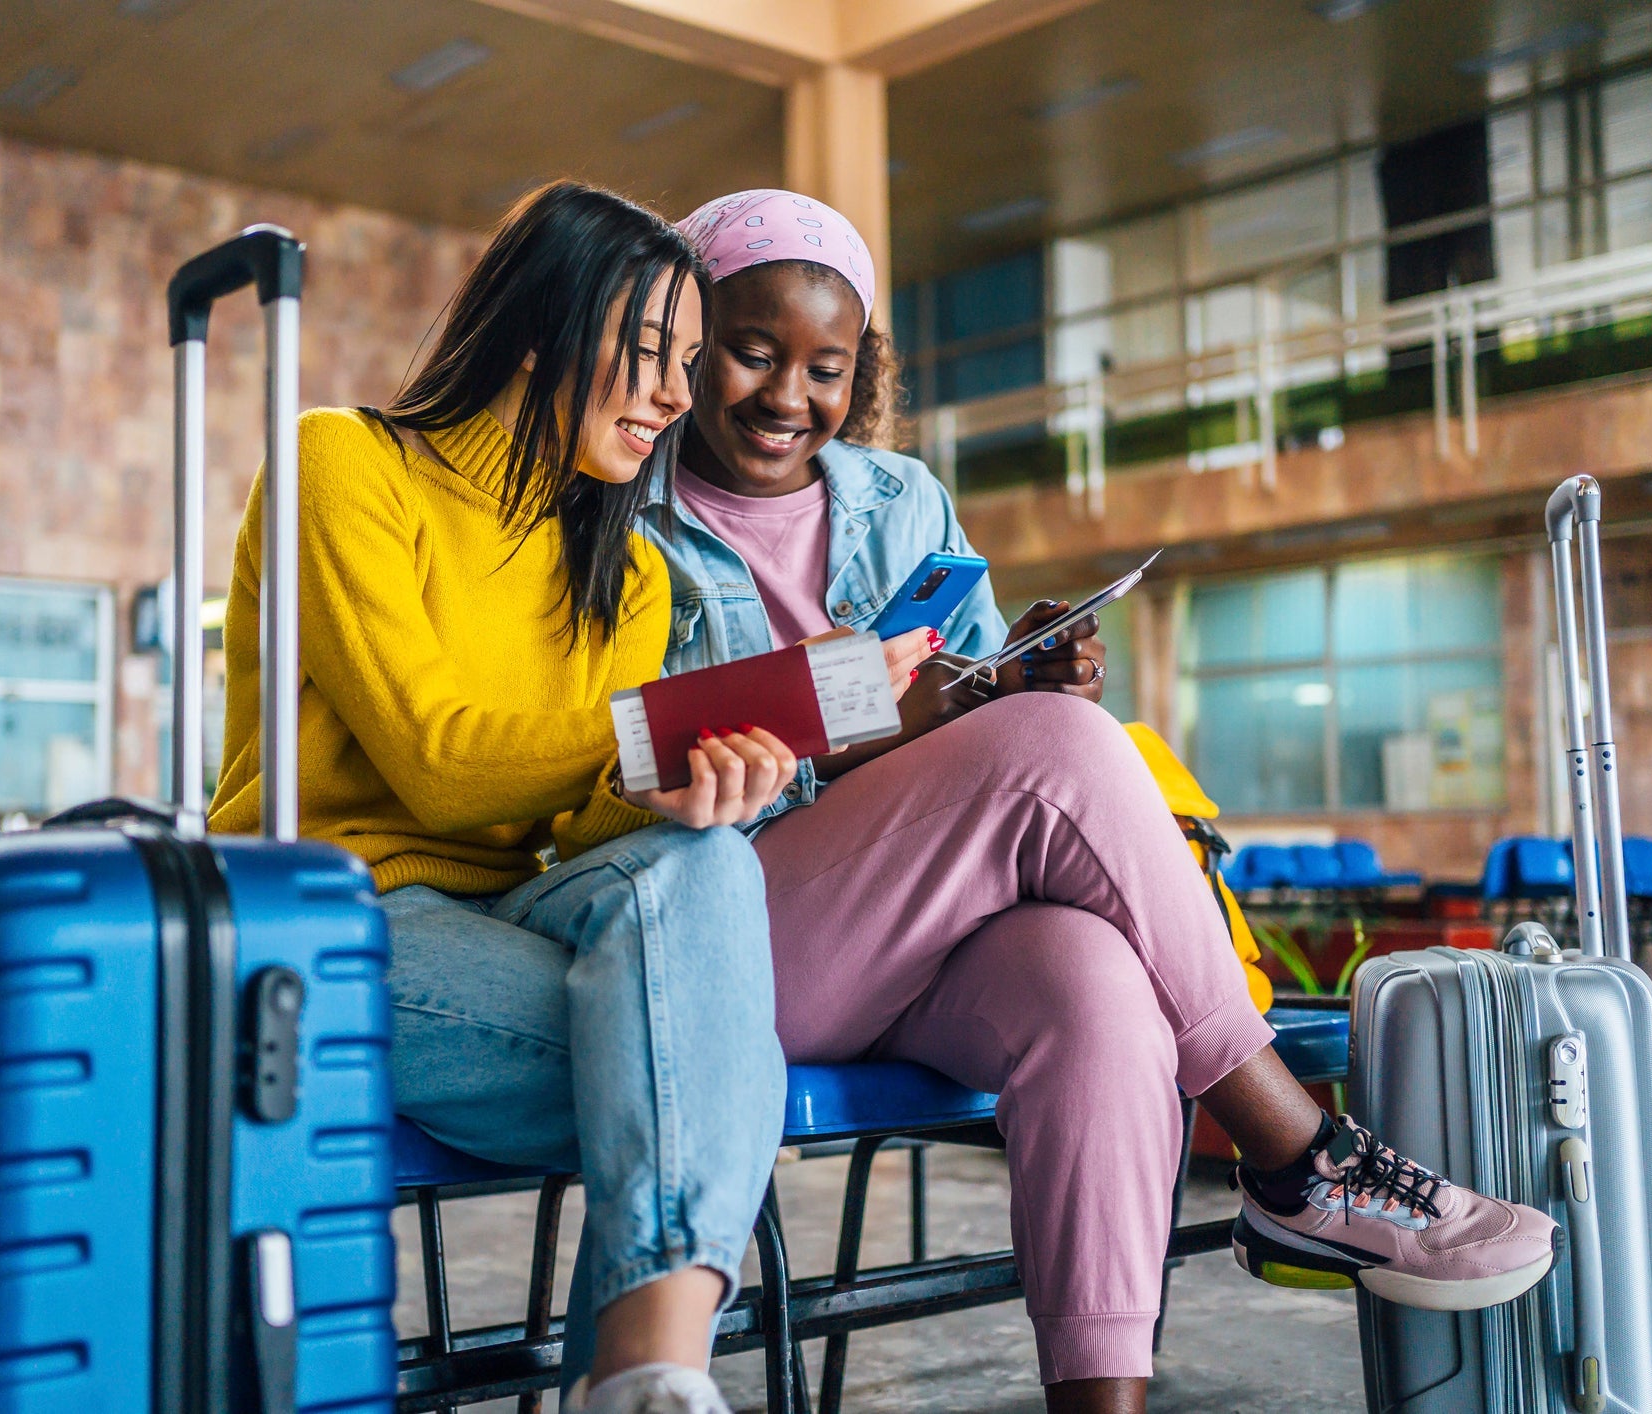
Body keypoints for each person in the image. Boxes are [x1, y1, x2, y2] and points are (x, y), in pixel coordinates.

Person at [637, 189, 1559, 1414]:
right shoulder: (624, 507)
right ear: (691, 341)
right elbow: (635, 752)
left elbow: (961, 698)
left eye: (825, 367)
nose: (787, 397)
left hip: (919, 930)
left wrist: (1016, 671)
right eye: (752, 353)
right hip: (735, 932)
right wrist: (879, 721)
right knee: (1063, 746)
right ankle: (1297, 1156)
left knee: (1093, 982)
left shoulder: (897, 494)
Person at [210, 181, 798, 1414]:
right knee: (681, 1073)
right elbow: (439, 756)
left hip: (514, 908)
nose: (680, 396)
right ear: (541, 330)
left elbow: (567, 822)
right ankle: (637, 1381)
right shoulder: (345, 464)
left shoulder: (627, 570)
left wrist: (685, 784)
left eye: (689, 362)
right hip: (328, 915)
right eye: (651, 354)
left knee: (707, 868)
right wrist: (644, 739)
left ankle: (648, 1374)